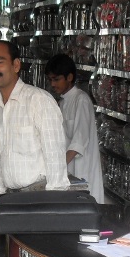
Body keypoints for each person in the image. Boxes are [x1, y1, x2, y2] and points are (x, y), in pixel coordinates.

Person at [0, 40, 70, 229]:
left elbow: (56, 164)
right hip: (13, 202)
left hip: (39, 203)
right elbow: (1, 165)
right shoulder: (0, 109)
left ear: (16, 65)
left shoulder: (39, 101)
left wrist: (52, 217)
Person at [46, 53, 105, 204]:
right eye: (51, 79)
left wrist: (57, 167)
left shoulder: (81, 100)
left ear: (70, 77)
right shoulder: (62, 102)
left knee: (86, 212)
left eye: (57, 79)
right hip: (70, 170)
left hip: (83, 169)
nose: (53, 84)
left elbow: (79, 141)